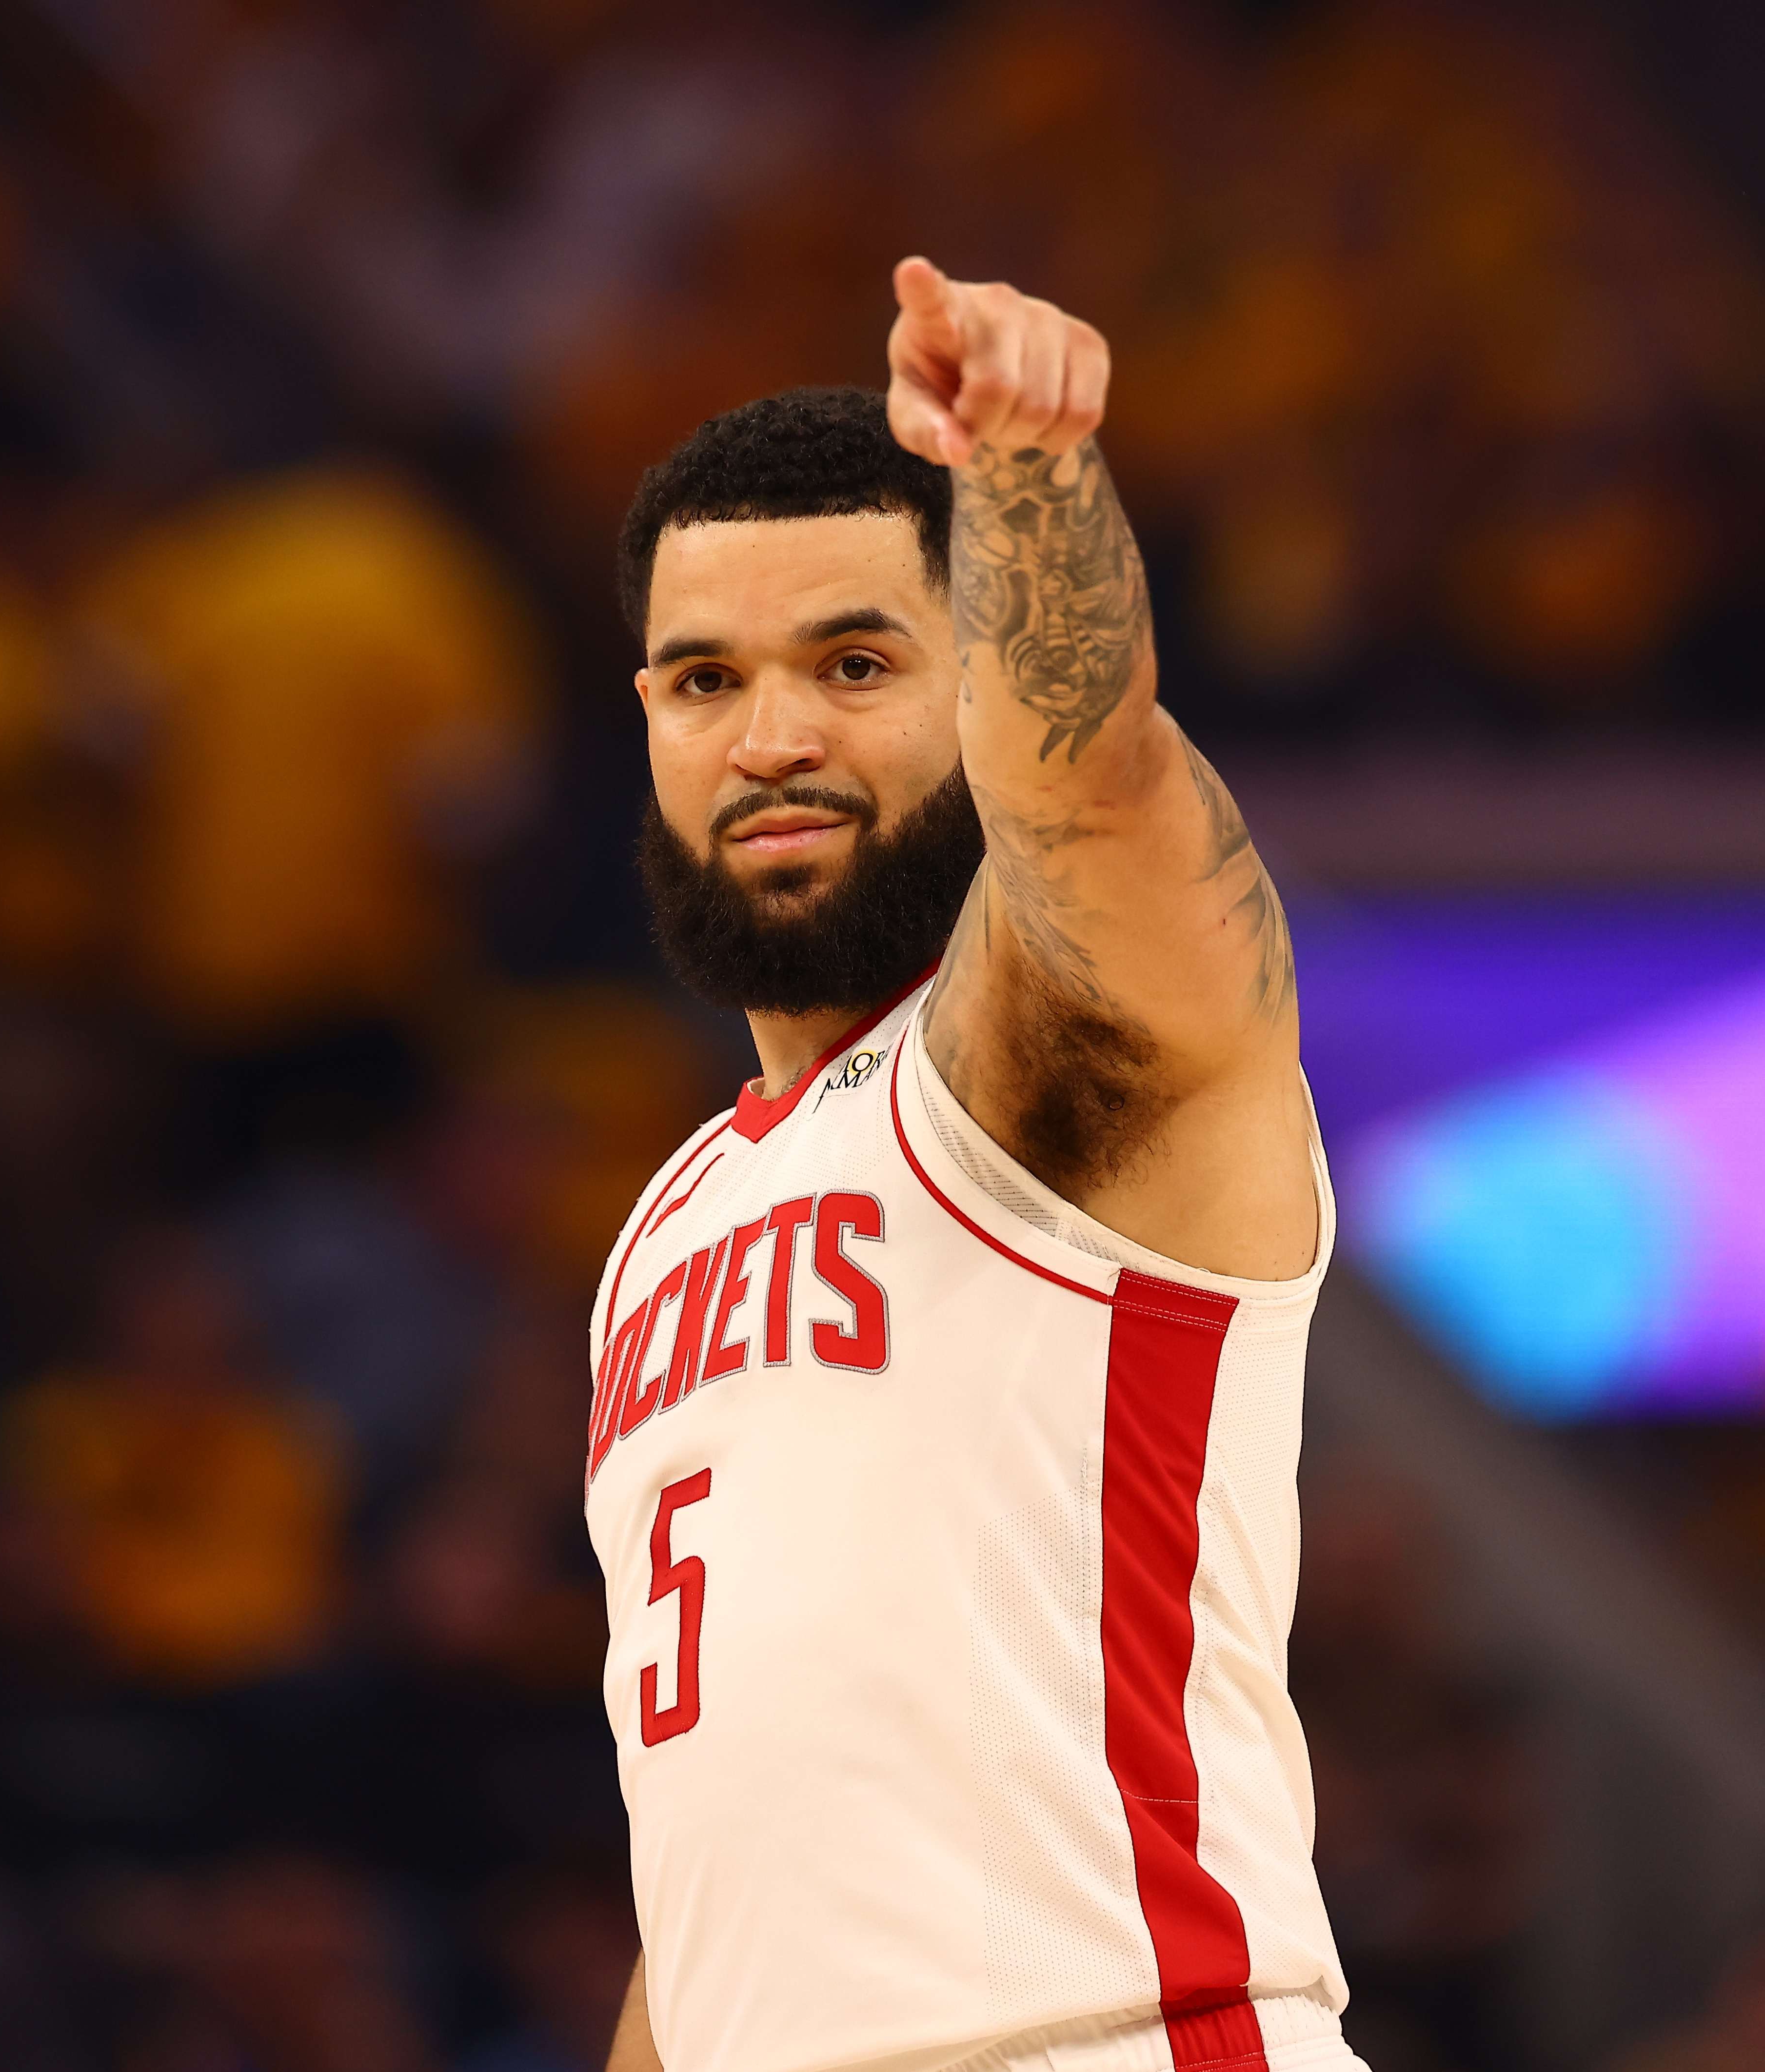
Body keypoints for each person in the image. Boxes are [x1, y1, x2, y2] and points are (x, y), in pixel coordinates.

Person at [587, 260, 1359, 2072]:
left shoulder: (1062, 1068)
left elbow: (1088, 781)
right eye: (708, 679)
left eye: (855, 663)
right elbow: (726, 1872)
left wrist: (1028, 468)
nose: (770, 738)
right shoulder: (661, 1222)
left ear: (975, 679)